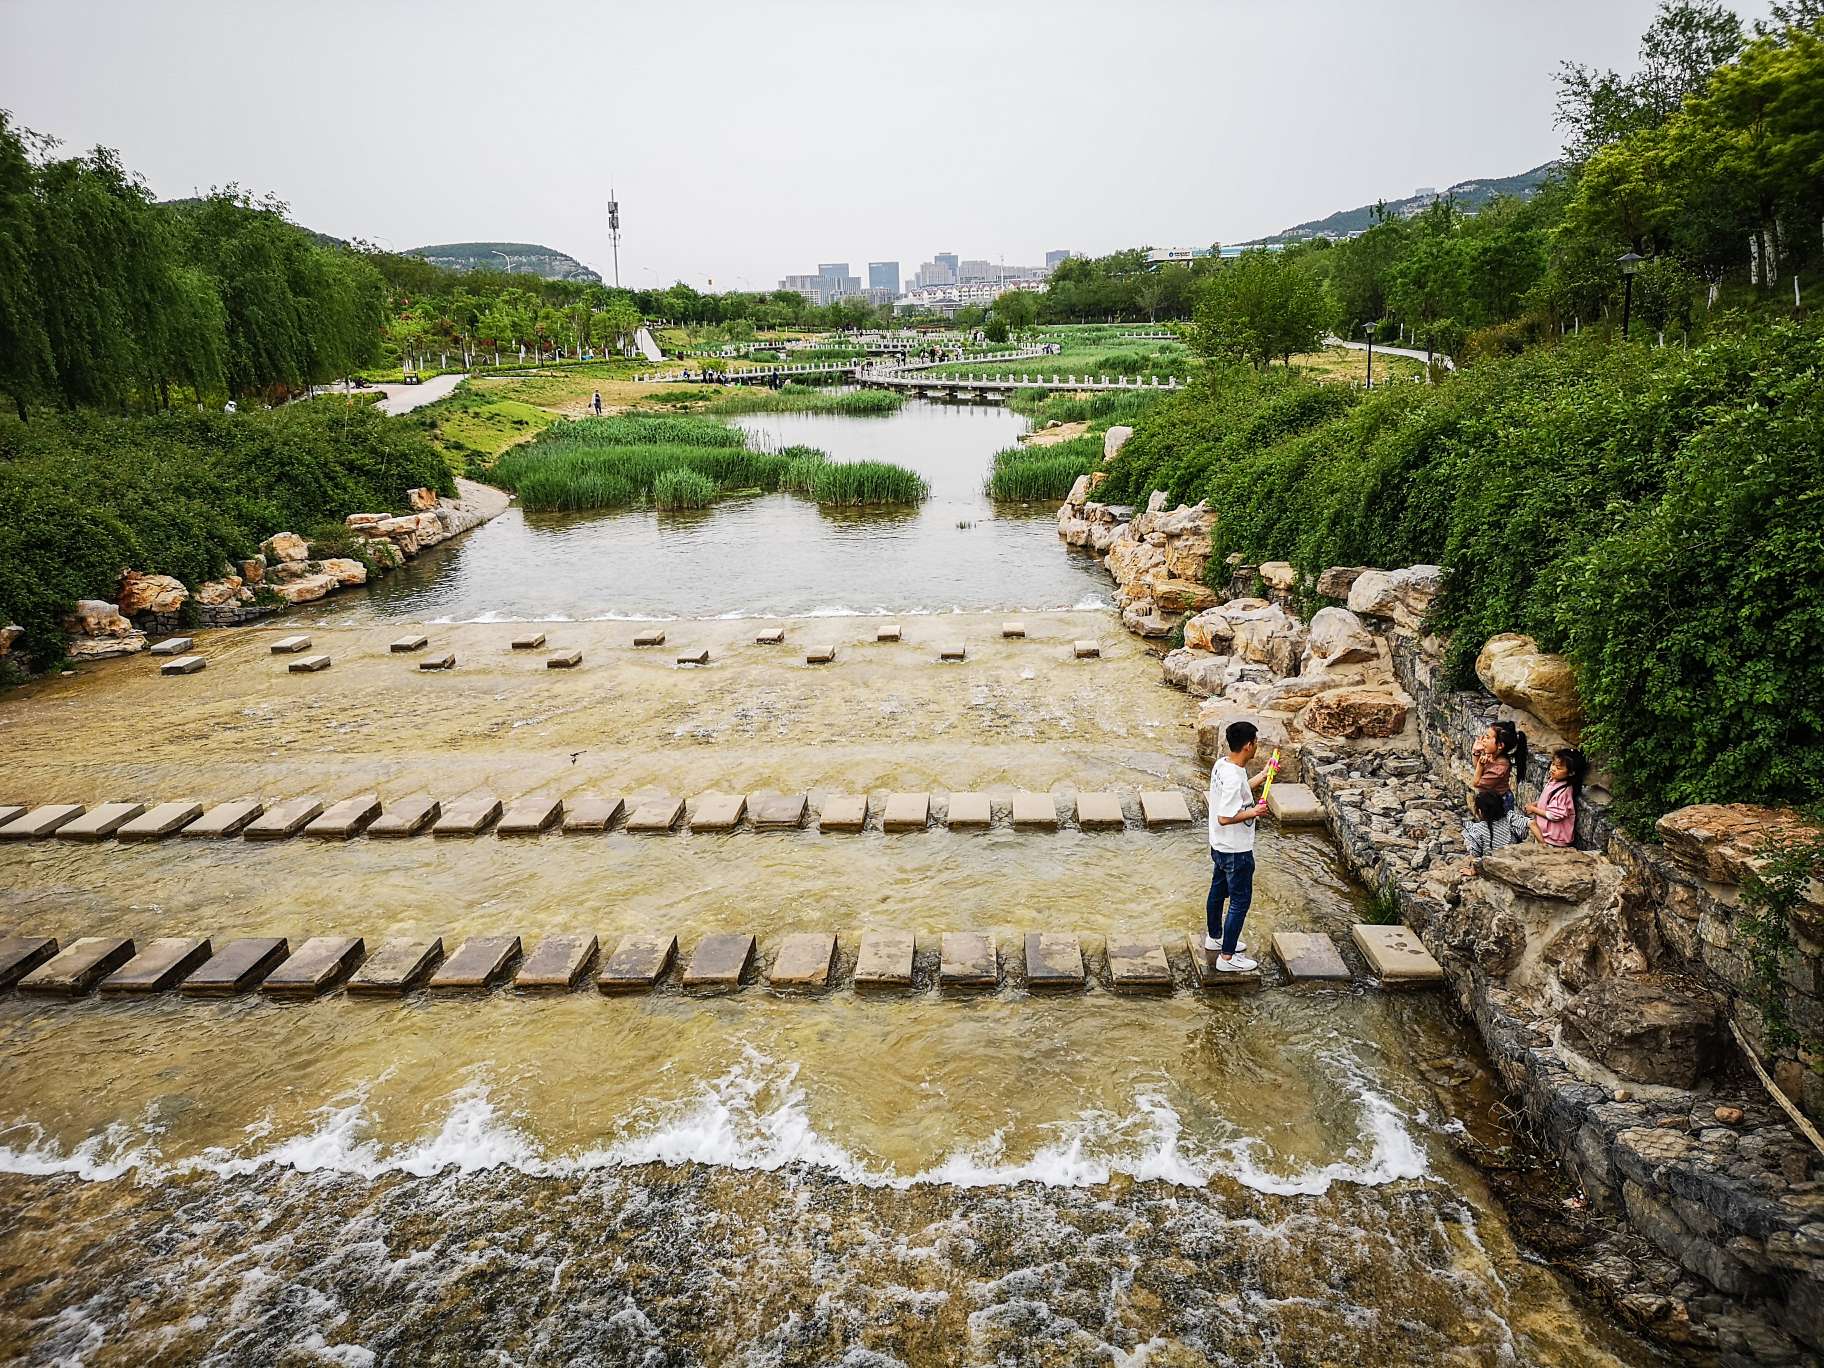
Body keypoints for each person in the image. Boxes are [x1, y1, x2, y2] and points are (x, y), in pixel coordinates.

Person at [1205, 719, 1274, 972]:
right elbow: (1225, 817)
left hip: (1219, 846)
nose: (1257, 747)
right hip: (1236, 850)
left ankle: (1214, 938)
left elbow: (1238, 791)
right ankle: (1227, 957)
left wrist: (1263, 776)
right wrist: (1254, 812)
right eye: (1256, 743)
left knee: (1217, 892)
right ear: (1248, 745)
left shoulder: (1223, 765)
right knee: (1239, 902)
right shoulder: (1233, 776)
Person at [1525, 747, 1586, 847]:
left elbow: (1554, 815)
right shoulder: (1554, 781)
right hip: (1547, 835)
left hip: (1554, 840)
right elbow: (1547, 800)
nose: (1553, 769)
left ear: (1571, 772)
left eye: (1558, 768)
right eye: (1553, 764)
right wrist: (1536, 804)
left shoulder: (1564, 791)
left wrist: (1534, 809)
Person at [1468, 719, 1527, 814]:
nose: (1483, 740)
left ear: (1500, 745)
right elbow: (1478, 771)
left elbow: (1477, 783)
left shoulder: (1500, 768)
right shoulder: (1492, 755)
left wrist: (1480, 764)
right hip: (1490, 798)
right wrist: (1476, 752)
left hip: (1500, 803)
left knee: (1499, 828)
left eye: (1487, 737)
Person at [1463, 789, 1529, 863]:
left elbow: (1474, 855)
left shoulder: (1476, 829)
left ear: (1480, 811)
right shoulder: (1510, 820)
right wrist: (1543, 847)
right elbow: (1531, 823)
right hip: (1512, 862)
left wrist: (1473, 870)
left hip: (1491, 867)